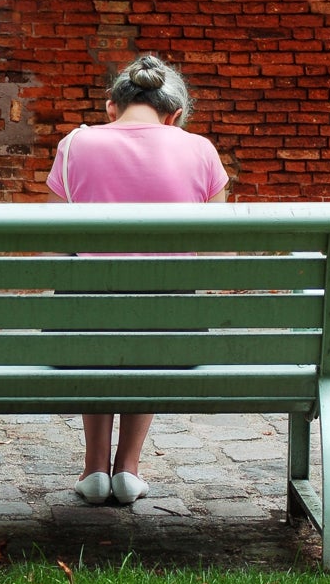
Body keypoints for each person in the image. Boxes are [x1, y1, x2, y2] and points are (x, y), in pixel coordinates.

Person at [45, 53, 229, 505]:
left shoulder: (74, 145)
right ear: (176, 115)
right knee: (158, 308)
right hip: (171, 335)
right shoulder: (200, 149)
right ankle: (128, 469)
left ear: (112, 106)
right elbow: (221, 246)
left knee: (91, 304)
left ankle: (93, 469)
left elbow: (54, 239)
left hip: (82, 333)